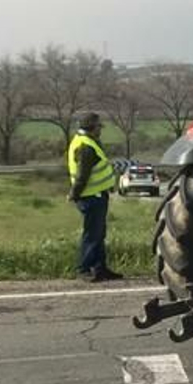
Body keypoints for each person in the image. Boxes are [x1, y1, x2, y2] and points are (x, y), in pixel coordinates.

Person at [67, 111, 124, 282]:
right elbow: (82, 175)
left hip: (96, 195)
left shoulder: (87, 141)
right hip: (91, 196)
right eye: (99, 126)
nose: (101, 129)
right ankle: (84, 269)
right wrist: (74, 194)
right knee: (92, 234)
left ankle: (100, 269)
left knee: (98, 234)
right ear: (92, 127)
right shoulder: (86, 146)